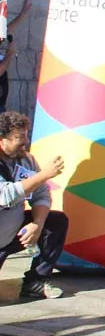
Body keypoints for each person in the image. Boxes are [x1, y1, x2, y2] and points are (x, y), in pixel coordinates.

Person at [0, 111, 67, 299]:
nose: (25, 141)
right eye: (19, 137)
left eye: (26, 134)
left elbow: (41, 194)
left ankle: (35, 281)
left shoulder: (26, 160)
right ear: (2, 139)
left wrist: (37, 224)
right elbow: (5, 195)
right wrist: (44, 175)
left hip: (11, 234)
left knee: (56, 221)